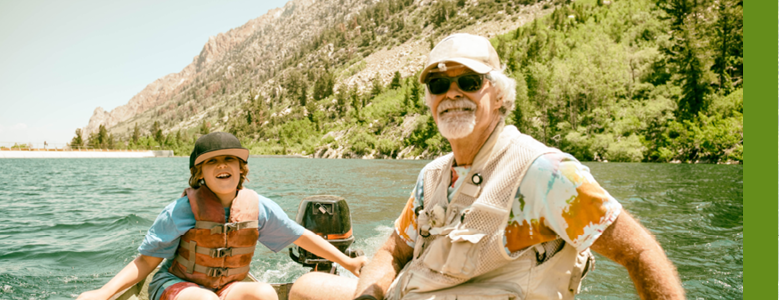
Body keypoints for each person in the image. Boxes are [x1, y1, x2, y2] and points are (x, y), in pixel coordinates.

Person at [289, 33, 684, 300]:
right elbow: (393, 250)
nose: (452, 93)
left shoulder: (544, 173)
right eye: (439, 85)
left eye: (470, 81)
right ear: (429, 101)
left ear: (497, 94)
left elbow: (639, 253)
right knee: (307, 286)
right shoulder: (432, 178)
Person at [78, 132, 367, 300]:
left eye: (229, 159)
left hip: (226, 288)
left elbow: (301, 236)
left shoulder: (260, 207)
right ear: (199, 173)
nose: (222, 166)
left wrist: (349, 262)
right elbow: (145, 261)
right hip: (176, 287)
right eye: (211, 162)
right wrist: (103, 293)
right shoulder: (180, 211)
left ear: (242, 169)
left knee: (265, 294)